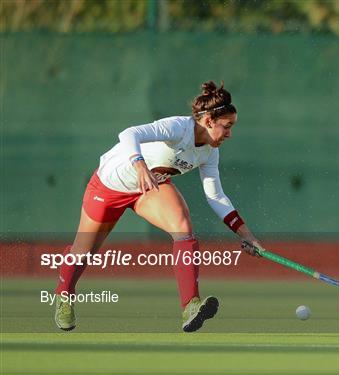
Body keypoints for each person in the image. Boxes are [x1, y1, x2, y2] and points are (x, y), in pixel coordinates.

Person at [54, 81, 263, 333]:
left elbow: (216, 197)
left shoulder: (209, 152)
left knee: (183, 227)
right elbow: (129, 134)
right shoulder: (178, 127)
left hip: (150, 187)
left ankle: (191, 306)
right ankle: (64, 296)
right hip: (109, 186)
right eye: (226, 127)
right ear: (208, 120)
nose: (230, 134)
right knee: (84, 251)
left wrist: (246, 235)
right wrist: (139, 165)